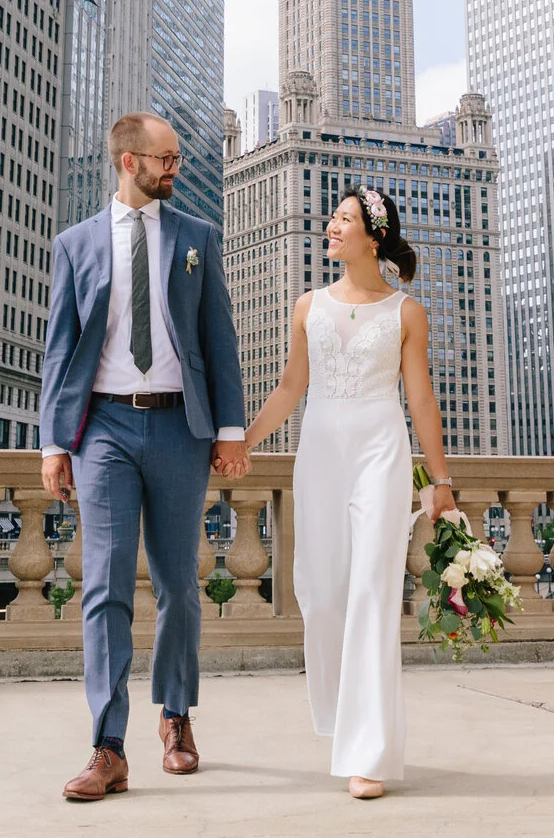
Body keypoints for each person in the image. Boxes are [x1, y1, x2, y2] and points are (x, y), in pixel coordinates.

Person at [40, 112, 248, 803]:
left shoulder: (196, 237)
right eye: (165, 157)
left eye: (179, 157)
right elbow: (60, 349)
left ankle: (176, 715)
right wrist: (52, 441)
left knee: (178, 586)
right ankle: (108, 746)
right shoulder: (74, 245)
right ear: (128, 162)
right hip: (101, 429)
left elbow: (219, 338)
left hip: (179, 430)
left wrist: (229, 427)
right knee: (103, 587)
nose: (175, 168)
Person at [236, 183, 455, 799]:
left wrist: (440, 481)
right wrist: (243, 443)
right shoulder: (309, 306)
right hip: (322, 454)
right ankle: (340, 718)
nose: (331, 226)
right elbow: (288, 389)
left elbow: (421, 401)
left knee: (372, 593)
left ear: (374, 236)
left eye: (344, 219)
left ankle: (368, 752)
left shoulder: (406, 312)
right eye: (332, 217)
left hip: (381, 453)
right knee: (324, 594)